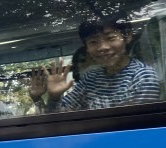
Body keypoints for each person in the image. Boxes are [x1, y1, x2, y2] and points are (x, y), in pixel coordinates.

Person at [29, 14, 161, 112]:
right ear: (86, 47)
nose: (103, 47)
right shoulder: (91, 78)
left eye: (111, 38)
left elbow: (135, 125)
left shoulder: (143, 76)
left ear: (127, 37)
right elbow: (59, 119)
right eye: (93, 42)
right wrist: (54, 96)